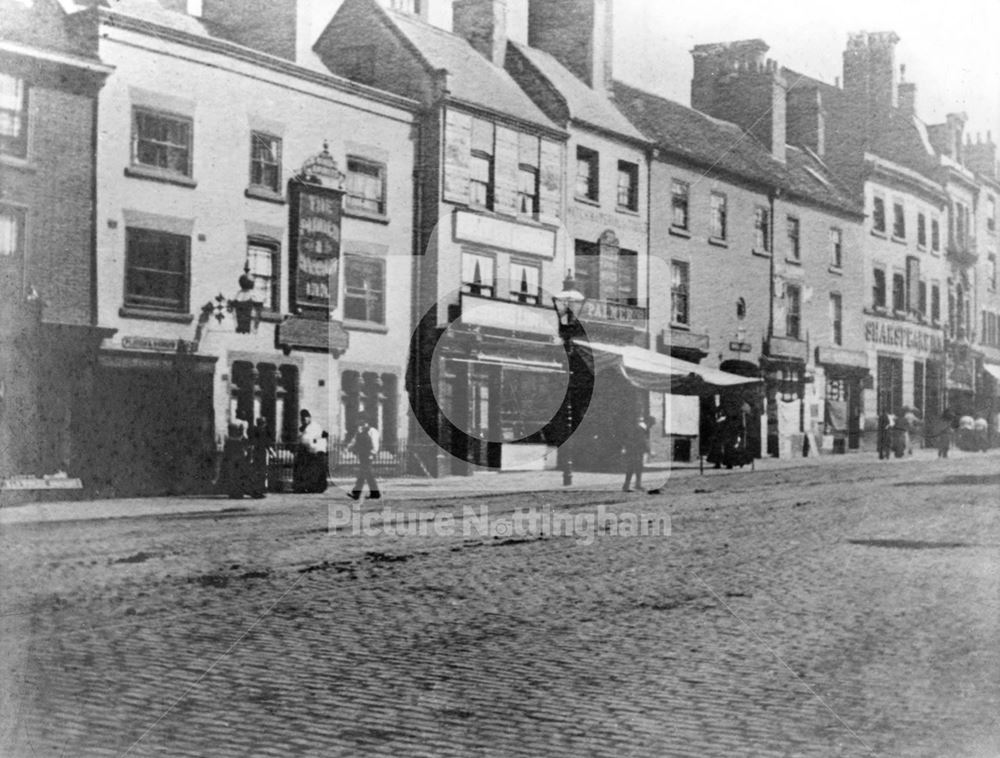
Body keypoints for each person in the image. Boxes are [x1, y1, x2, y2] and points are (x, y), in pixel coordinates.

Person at [294, 409, 329, 493]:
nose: (303, 420)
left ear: (309, 418)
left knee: (316, 471)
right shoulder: (305, 428)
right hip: (309, 451)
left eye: (305, 418)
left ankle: (317, 487)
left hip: (316, 451)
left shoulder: (314, 427)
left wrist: (313, 447)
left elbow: (308, 440)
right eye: (302, 419)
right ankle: (307, 487)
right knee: (308, 471)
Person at [348, 418, 381, 500]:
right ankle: (375, 493)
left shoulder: (372, 431)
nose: (360, 425)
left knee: (363, 473)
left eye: (362, 424)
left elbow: (375, 443)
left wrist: (373, 453)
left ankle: (356, 493)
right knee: (368, 474)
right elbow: (354, 441)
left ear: (366, 423)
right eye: (359, 424)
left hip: (369, 455)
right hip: (362, 455)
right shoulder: (359, 431)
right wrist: (349, 448)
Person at [219, 421, 249, 498]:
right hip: (239, 459)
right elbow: (245, 448)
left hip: (231, 460)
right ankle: (239, 493)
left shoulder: (228, 439)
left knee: (232, 476)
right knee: (239, 476)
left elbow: (226, 450)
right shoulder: (242, 438)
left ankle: (233, 493)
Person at [622, 415, 649, 492]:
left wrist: (646, 450)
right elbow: (626, 441)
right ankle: (626, 486)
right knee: (630, 468)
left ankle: (637, 485)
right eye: (639, 420)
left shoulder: (640, 429)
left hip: (638, 451)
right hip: (632, 451)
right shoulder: (631, 430)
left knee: (638, 468)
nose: (640, 422)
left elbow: (643, 440)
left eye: (640, 420)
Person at [248, 417, 272, 498]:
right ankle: (259, 491)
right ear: (263, 424)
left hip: (256, 453)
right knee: (262, 472)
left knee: (256, 472)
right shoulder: (263, 432)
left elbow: (252, 443)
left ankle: (255, 490)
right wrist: (271, 452)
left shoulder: (254, 431)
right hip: (262, 453)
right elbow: (267, 443)